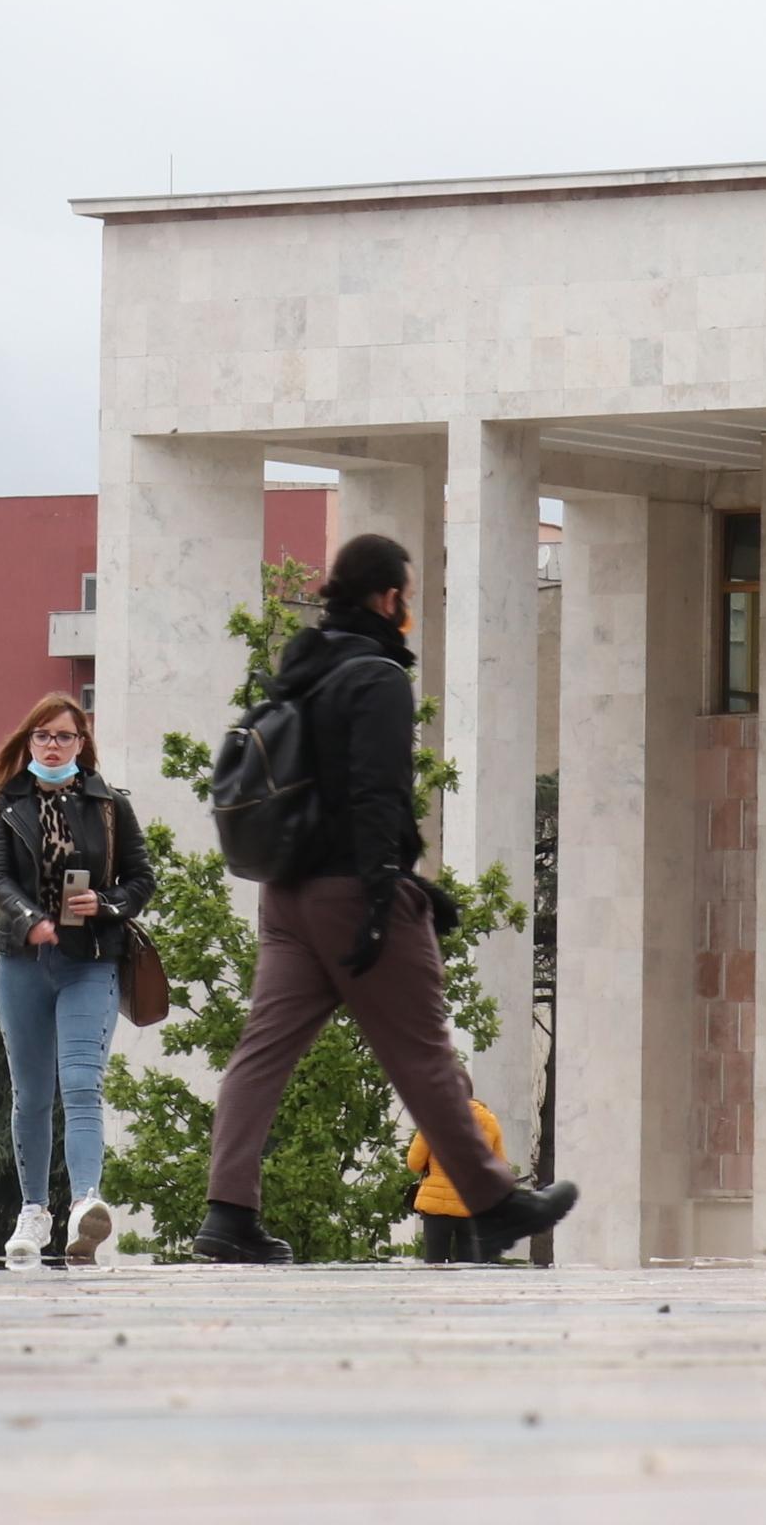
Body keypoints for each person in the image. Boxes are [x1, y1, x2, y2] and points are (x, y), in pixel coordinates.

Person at [197, 533, 580, 1266]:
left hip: (285, 898)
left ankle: (227, 1212)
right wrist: (388, 897)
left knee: (261, 1053)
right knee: (425, 1054)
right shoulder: (376, 678)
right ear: (390, 597)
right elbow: (378, 795)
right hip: (352, 894)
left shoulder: (301, 670)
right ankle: (495, 1205)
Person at [0, 691, 153, 1269]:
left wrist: (103, 903)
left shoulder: (109, 805)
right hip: (22, 963)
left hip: (91, 960)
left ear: (83, 744)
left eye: (65, 736)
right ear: (30, 742)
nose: (54, 745)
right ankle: (34, 1210)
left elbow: (141, 880)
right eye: (44, 736)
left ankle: (85, 1203)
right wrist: (28, 919)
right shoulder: (9, 803)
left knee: (81, 1083)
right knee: (31, 1094)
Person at [407, 1097, 509, 1263]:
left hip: (436, 1207)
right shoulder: (489, 1121)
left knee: (435, 1266)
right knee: (469, 1270)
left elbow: (414, 1163)